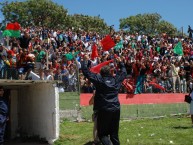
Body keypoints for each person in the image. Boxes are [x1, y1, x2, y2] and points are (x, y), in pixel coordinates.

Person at [81, 57, 127, 145]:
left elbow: (86, 72)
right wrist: (121, 63)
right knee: (114, 134)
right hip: (116, 109)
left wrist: (85, 61)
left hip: (104, 109)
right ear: (110, 72)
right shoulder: (116, 80)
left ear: (101, 73)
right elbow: (124, 72)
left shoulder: (99, 80)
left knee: (102, 135)